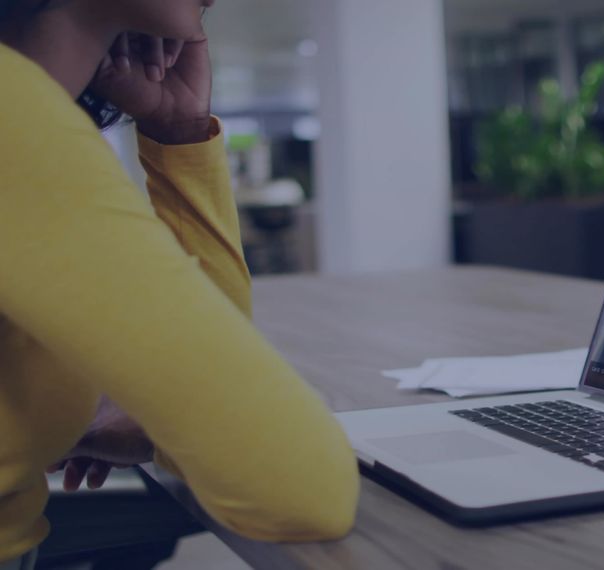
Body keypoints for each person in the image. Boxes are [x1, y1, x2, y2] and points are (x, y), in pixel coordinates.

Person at [0, 1, 359, 567]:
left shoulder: (29, 108)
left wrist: (181, 136)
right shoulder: (10, 117)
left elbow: (225, 407)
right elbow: (298, 487)